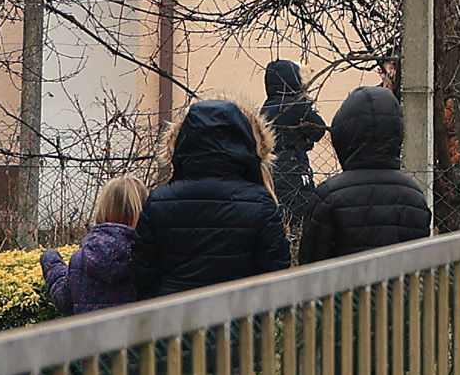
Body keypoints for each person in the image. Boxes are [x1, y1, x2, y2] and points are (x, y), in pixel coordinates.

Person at [126, 98, 292, 298]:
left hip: (175, 315)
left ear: (184, 140)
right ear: (244, 141)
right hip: (238, 317)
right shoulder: (259, 202)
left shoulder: (159, 201)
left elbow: (144, 270)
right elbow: (275, 269)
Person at [299, 83, 434, 263]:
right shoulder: (414, 196)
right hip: (397, 290)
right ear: (396, 132)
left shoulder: (329, 196)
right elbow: (419, 264)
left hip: (344, 289)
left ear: (344, 133)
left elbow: (310, 264)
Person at [41, 173, 150, 313]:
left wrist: (51, 262)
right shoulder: (150, 255)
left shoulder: (82, 258)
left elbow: (64, 301)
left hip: (91, 334)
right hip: (139, 334)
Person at [261, 59, 326, 237]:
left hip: (270, 168)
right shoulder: (297, 106)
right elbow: (319, 131)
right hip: (294, 167)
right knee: (301, 213)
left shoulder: (265, 109)